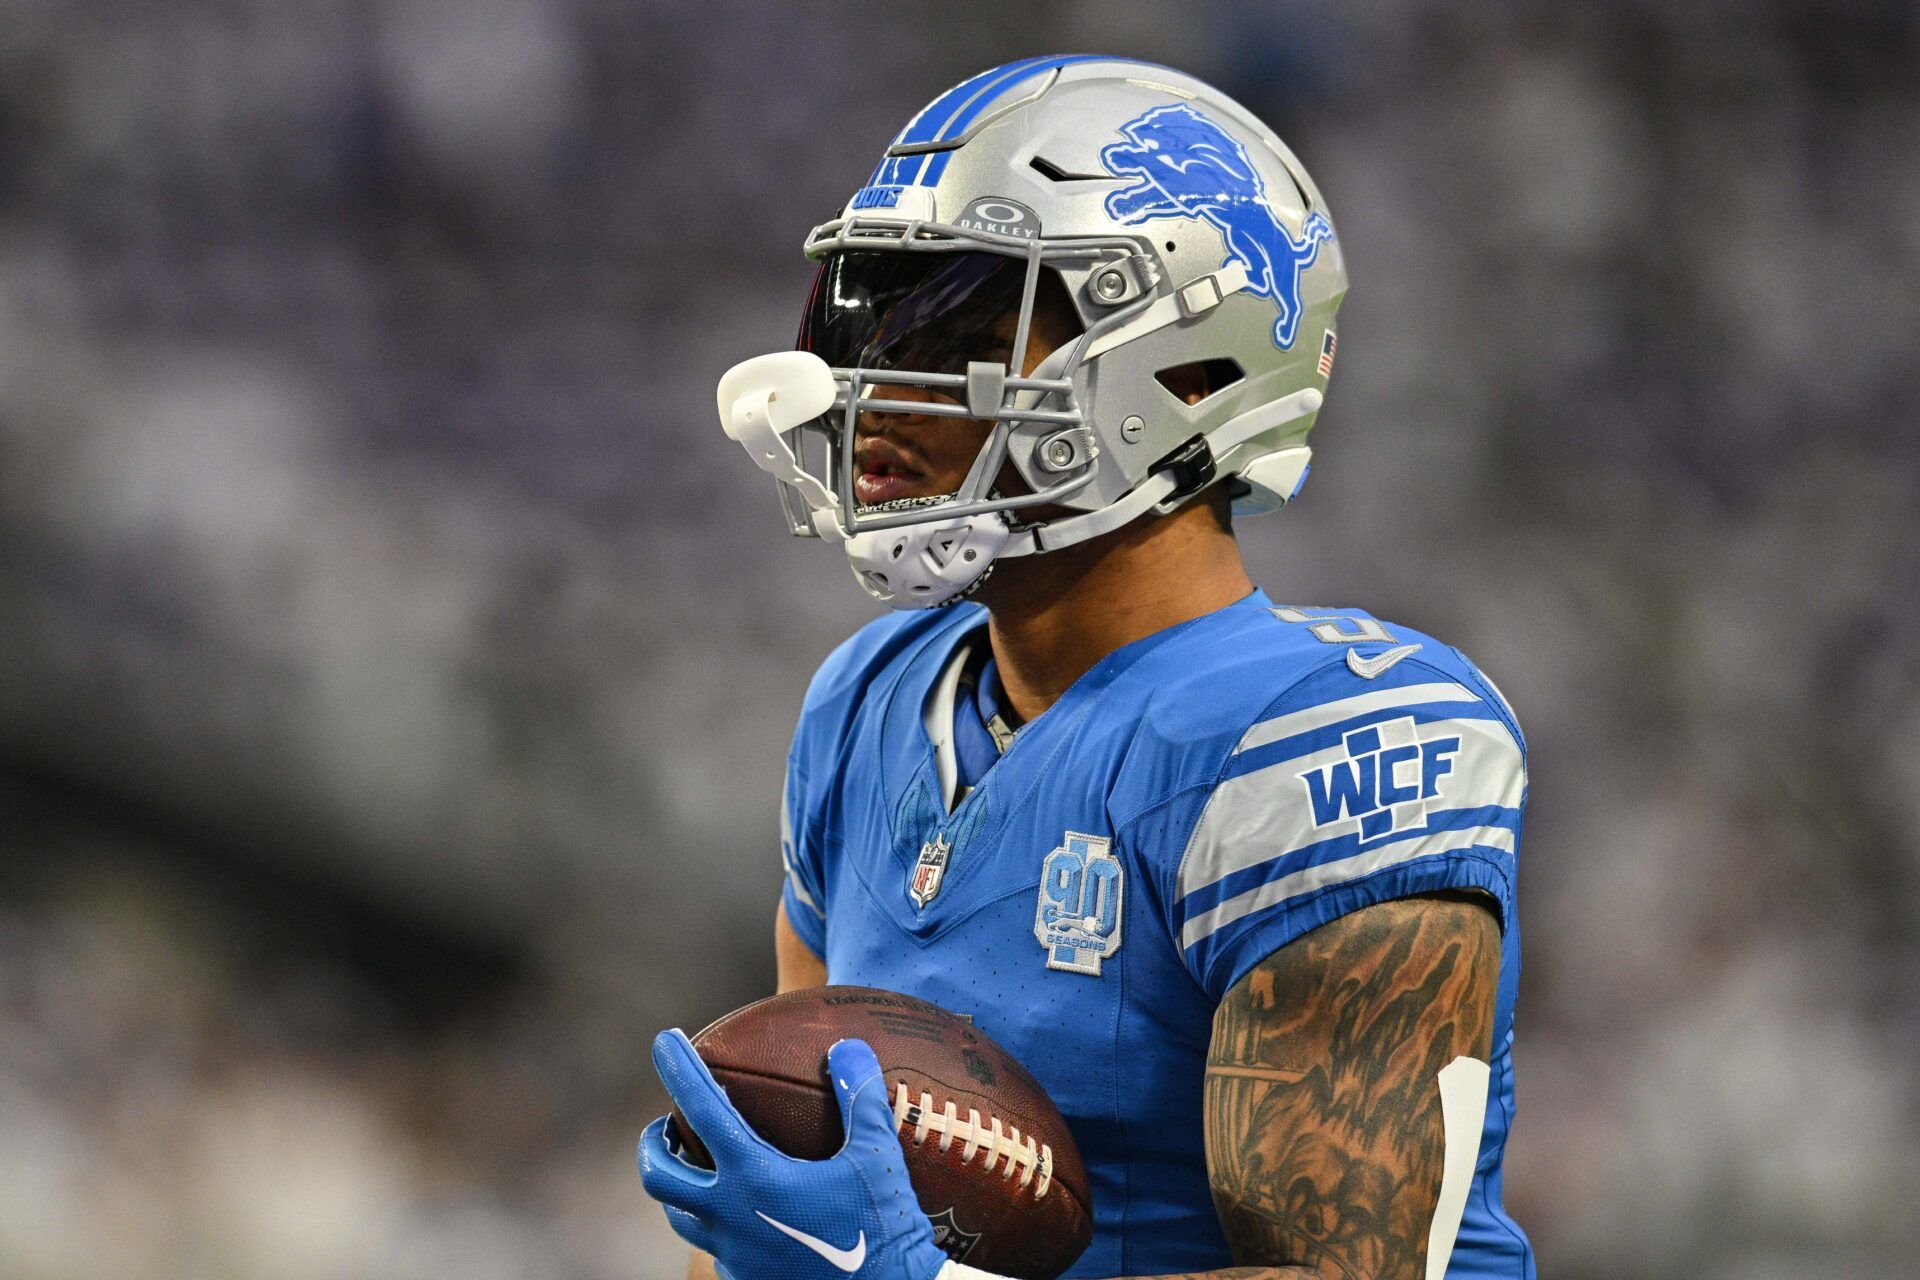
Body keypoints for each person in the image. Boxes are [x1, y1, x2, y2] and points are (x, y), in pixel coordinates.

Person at [640, 56, 1534, 1280]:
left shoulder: (1323, 735)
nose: (866, 392)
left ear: (1183, 370)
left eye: (957, 334)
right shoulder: (868, 699)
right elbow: (790, 1195)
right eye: (866, 330)